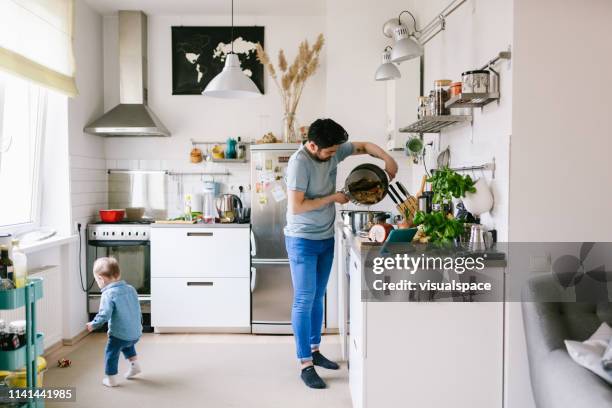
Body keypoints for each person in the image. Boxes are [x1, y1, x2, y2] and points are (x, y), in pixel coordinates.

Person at [284, 118, 398, 389]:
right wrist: (333, 198)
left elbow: (364, 146)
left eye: (336, 149)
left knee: (317, 296)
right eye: (329, 151)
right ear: (312, 145)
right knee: (303, 299)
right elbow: (296, 207)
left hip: (325, 236)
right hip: (301, 238)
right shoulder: (299, 163)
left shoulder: (332, 148)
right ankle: (305, 364)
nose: (335, 154)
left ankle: (314, 350)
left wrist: (387, 159)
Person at [86, 257, 143, 387]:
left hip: (119, 335)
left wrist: (93, 324)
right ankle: (135, 366)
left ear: (101, 279)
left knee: (111, 353)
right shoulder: (131, 289)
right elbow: (137, 309)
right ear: (118, 274)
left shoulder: (108, 294)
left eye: (97, 280)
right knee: (128, 344)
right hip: (135, 332)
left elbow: (104, 315)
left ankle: (111, 379)